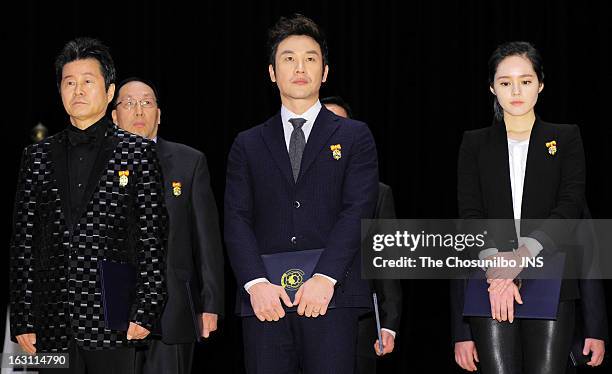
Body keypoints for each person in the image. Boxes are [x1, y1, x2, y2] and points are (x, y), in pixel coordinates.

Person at [224, 14, 379, 374]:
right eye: (288, 58)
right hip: (266, 302)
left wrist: (325, 278)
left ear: (325, 72)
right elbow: (235, 218)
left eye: (310, 58)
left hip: (331, 297)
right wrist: (255, 283)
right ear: (271, 72)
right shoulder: (247, 144)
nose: (300, 67)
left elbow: (358, 209)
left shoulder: (355, 136)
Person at [9, 37, 167, 374]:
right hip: (51, 321)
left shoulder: (138, 153)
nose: (77, 90)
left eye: (88, 82)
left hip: (115, 318)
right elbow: (24, 241)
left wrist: (147, 307)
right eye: (69, 83)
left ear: (109, 92)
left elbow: (151, 237)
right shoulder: (35, 156)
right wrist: (23, 317)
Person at [453, 41, 605, 373]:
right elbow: (469, 216)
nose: (516, 90)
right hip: (489, 278)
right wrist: (498, 269)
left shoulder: (565, 138)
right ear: (492, 87)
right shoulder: (474, 143)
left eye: (526, 80)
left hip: (550, 275)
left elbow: (569, 209)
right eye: (505, 82)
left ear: (541, 84)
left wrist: (520, 257)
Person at [111, 77, 224, 374]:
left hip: (172, 310)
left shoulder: (189, 162)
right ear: (113, 116)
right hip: (111, 311)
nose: (138, 111)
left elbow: (207, 240)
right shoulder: (96, 164)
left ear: (159, 115)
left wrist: (210, 304)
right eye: (129, 103)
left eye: (147, 103)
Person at [321, 96, 402, 372]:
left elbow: (387, 259)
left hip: (361, 319)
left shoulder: (377, 193)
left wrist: (389, 322)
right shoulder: (288, 190)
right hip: (301, 312)